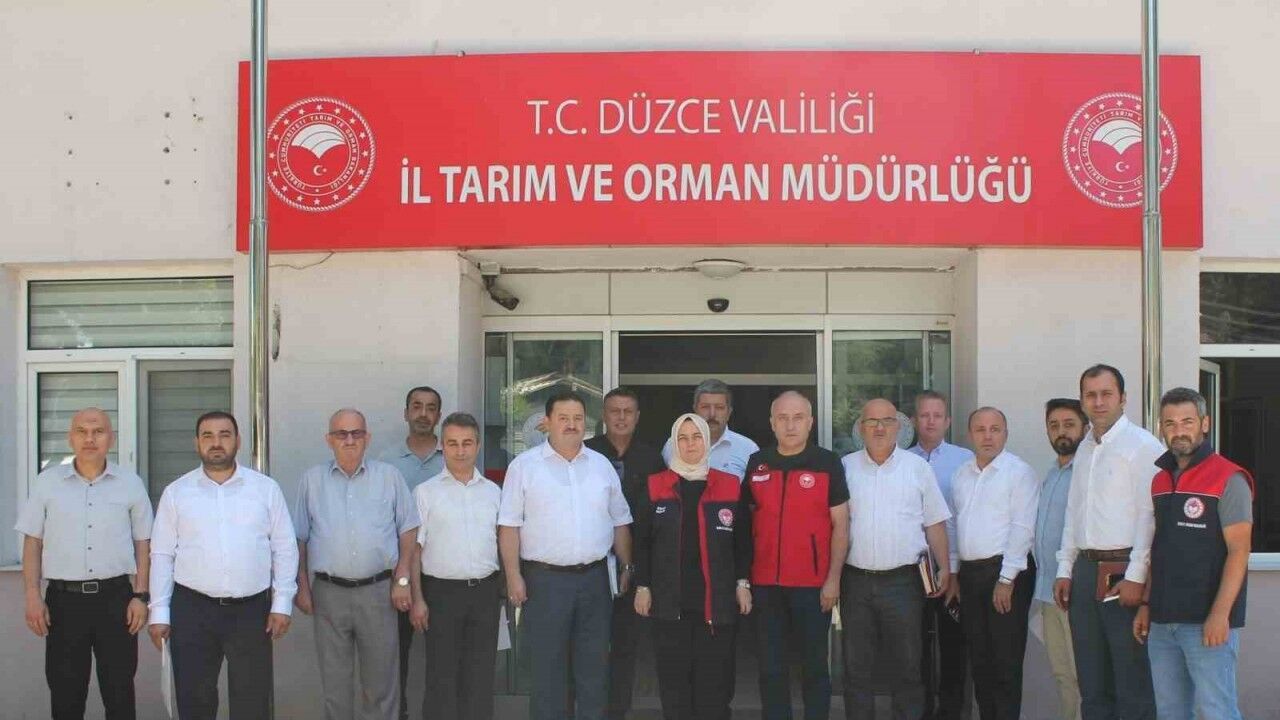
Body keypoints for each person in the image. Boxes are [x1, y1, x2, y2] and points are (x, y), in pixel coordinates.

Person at [147, 411, 299, 720]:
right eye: (208, 435)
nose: (216, 443)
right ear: (197, 443)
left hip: (251, 611)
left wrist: (282, 602)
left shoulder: (265, 489)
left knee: (252, 701)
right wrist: (159, 611)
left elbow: (284, 547)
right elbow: (162, 554)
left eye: (224, 435)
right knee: (195, 699)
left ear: (238, 441)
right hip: (192, 609)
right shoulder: (177, 493)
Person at [498, 390, 634, 720]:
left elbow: (620, 521)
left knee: (594, 670)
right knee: (547, 673)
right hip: (544, 583)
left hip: (595, 581)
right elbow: (509, 526)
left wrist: (627, 566)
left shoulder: (601, 466)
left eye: (577, 418)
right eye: (563, 418)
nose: (571, 425)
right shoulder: (524, 467)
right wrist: (513, 576)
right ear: (547, 422)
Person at [15, 408, 153, 720]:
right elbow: (33, 541)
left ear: (111, 438)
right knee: (66, 696)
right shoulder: (47, 483)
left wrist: (141, 595)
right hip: (64, 604)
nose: (90, 438)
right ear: (70, 438)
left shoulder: (130, 484)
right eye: (82, 431)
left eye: (98, 431)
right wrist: (33, 596)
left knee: (119, 696)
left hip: (116, 601)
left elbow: (143, 543)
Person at [1133, 388, 1253, 720]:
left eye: (1187, 421)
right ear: (1161, 428)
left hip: (1206, 622)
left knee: (1216, 710)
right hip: (1162, 622)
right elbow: (1160, 548)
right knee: (1170, 712)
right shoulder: (1159, 481)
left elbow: (1239, 551)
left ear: (1205, 423)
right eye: (1170, 423)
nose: (1179, 430)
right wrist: (1146, 603)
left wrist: (1220, 614)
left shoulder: (1228, 478)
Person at [294, 409, 420, 720]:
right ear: (329, 440)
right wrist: (302, 587)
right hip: (329, 594)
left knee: (381, 685)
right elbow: (299, 538)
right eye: (341, 434)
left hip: (379, 593)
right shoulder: (312, 480)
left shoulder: (388, 477)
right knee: (335, 686)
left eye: (356, 433)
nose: (349, 440)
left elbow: (408, 529)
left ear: (367, 438)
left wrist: (402, 579)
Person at [1054, 365, 1163, 720]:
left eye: (1106, 394)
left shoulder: (1143, 446)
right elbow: (1074, 511)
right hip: (1086, 571)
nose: (1098, 402)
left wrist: (1136, 576)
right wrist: (1065, 568)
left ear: (1123, 398)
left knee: (1131, 681)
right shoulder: (1085, 448)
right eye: (1091, 395)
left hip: (1123, 570)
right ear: (1082, 400)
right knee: (1092, 681)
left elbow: (1150, 516)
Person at [633, 413, 753, 720]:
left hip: (716, 604)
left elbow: (742, 542)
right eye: (683, 438)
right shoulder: (655, 485)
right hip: (669, 604)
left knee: (715, 687)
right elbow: (641, 542)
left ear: (707, 441)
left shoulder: (729, 485)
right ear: (674, 444)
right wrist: (643, 586)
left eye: (697, 437)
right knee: (674, 686)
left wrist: (742, 584)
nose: (690, 444)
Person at [841, 398, 953, 720]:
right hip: (855, 582)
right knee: (856, 668)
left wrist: (945, 568)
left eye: (887, 421)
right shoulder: (845, 467)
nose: (879, 428)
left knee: (907, 667)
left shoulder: (917, 468)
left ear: (899, 427)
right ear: (861, 428)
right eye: (872, 421)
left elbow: (934, 522)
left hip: (904, 583)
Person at [744, 390, 850, 720]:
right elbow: (747, 523)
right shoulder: (757, 462)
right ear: (772, 423)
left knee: (813, 667)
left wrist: (833, 580)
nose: (790, 425)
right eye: (783, 418)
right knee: (770, 668)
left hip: (812, 586)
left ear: (810, 422)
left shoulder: (827, 462)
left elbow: (841, 525)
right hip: (766, 585)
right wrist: (744, 579)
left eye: (798, 418)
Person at [410, 412, 503, 720]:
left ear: (477, 445)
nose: (460, 450)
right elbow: (414, 551)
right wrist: (417, 598)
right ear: (442, 446)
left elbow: (504, 543)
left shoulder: (494, 493)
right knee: (441, 676)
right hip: (441, 595)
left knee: (480, 674)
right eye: (452, 443)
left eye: (466, 443)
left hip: (485, 593)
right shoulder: (425, 493)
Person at [947, 407, 1038, 720]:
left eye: (995, 429)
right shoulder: (961, 475)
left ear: (1005, 434)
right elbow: (954, 527)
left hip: (1006, 574)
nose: (988, 436)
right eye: (980, 429)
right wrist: (954, 573)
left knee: (1005, 662)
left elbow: (1023, 528)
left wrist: (1006, 579)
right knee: (980, 660)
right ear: (970, 435)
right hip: (971, 575)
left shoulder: (1019, 473)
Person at [585, 387, 666, 720]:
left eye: (627, 411)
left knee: (624, 645)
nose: (621, 417)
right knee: (587, 646)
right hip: (589, 564)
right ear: (604, 416)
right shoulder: (587, 453)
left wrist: (639, 569)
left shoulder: (651, 458)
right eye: (614, 411)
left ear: (637, 417)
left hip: (636, 564)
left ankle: (617, 711)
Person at [907, 390, 973, 720]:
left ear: (947, 421)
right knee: (915, 646)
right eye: (924, 415)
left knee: (953, 645)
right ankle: (919, 711)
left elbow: (967, 517)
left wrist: (954, 568)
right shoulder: (902, 461)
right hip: (912, 569)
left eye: (937, 416)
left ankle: (950, 712)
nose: (930, 421)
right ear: (913, 421)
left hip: (954, 568)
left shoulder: (965, 460)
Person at [385, 385, 446, 719]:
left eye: (431, 408)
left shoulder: (454, 456)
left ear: (439, 415)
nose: (424, 414)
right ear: (406, 412)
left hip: (443, 573)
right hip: (400, 574)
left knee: (444, 657)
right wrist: (401, 575)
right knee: (397, 657)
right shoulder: (386, 463)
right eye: (417, 406)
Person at [1035, 399, 1085, 720]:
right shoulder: (1052, 473)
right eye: (1054, 425)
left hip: (1075, 591)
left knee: (1082, 674)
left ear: (1085, 428)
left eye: (1069, 424)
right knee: (1062, 673)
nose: (1061, 431)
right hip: (1047, 590)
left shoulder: (1087, 473)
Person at [662, 378, 760, 481]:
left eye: (719, 407)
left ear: (729, 412)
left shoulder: (748, 449)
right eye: (705, 407)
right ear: (695, 410)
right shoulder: (673, 445)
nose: (712, 414)